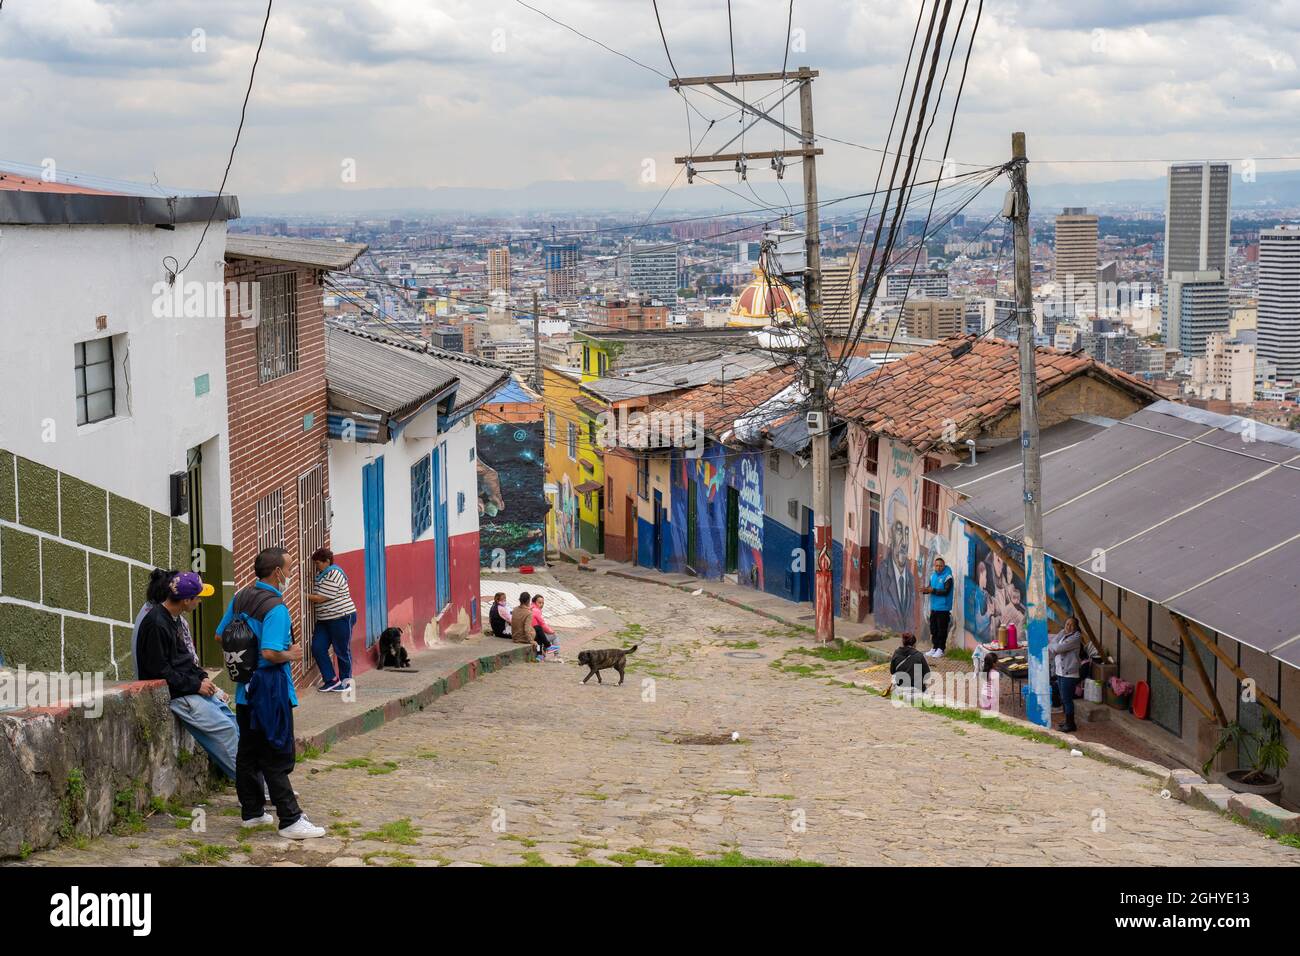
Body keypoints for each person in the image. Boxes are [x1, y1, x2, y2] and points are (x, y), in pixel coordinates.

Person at [216, 547, 324, 839]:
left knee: (248, 752)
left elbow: (219, 634)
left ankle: (252, 813)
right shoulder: (276, 607)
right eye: (289, 568)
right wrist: (293, 653)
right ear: (278, 572)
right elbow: (270, 652)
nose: (290, 574)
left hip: (244, 691)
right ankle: (290, 819)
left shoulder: (241, 597)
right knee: (276, 753)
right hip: (270, 690)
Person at [135, 571, 240, 782]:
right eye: (198, 597)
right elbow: (159, 670)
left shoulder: (173, 619)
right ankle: (252, 789)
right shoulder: (156, 623)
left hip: (189, 687)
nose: (200, 602)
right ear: (186, 600)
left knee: (233, 722)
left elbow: (184, 658)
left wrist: (202, 678)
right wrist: (195, 685)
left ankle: (259, 784)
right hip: (177, 695)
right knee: (226, 730)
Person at [306, 548, 356, 693]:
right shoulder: (322, 574)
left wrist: (303, 596)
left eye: (318, 563)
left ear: (327, 561)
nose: (316, 566)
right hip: (324, 620)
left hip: (341, 617)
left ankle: (346, 682)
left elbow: (321, 598)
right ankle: (331, 680)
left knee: (341, 651)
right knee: (318, 647)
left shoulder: (334, 573)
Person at [1048, 616, 1083, 733]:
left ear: (1076, 626)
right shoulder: (1063, 632)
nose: (1068, 627)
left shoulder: (1076, 637)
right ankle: (1067, 721)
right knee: (1063, 697)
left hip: (1069, 673)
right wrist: (1054, 646)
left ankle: (1071, 724)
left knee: (1067, 699)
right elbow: (1052, 642)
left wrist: (1054, 647)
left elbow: (1057, 647)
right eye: (1067, 624)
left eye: (1071, 625)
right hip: (1060, 672)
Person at [920, 556, 954, 658]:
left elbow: (946, 591)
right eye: (937, 565)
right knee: (933, 629)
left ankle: (941, 649)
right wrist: (925, 591)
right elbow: (931, 589)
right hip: (934, 607)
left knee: (941, 629)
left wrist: (932, 590)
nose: (938, 567)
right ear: (934, 566)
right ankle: (934, 647)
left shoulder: (948, 577)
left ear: (944, 566)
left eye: (940, 566)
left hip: (943, 608)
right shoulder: (933, 576)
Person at [531, 594, 560, 662]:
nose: (541, 604)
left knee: (540, 639)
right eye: (539, 602)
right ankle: (556, 655)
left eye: (543, 603)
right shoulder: (536, 611)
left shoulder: (530, 608)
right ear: (535, 602)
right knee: (555, 636)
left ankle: (540, 655)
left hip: (533, 633)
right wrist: (551, 631)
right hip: (534, 634)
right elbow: (543, 625)